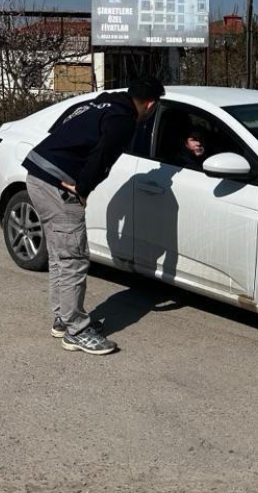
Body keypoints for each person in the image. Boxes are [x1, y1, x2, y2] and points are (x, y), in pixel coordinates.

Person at [23, 76, 165, 355]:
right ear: (150, 105)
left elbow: (60, 127)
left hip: (37, 174)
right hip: (57, 184)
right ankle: (76, 330)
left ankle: (63, 319)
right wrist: (82, 189)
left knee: (61, 255)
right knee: (73, 258)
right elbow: (103, 157)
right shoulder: (123, 120)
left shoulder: (101, 103)